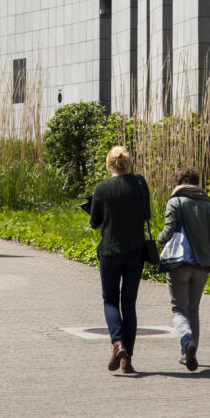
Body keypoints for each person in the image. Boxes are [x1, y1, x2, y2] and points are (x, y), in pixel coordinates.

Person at [157, 167, 210, 371]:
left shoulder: (175, 202)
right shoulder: (209, 206)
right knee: (193, 309)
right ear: (197, 183)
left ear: (178, 183)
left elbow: (168, 232)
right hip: (203, 266)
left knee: (178, 308)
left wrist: (155, 243)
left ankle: (187, 342)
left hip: (180, 264)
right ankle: (188, 352)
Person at [89, 145, 151, 375]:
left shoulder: (102, 188)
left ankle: (118, 343)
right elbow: (147, 215)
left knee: (110, 301)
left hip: (109, 252)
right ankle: (127, 362)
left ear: (109, 164)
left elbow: (95, 222)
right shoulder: (139, 183)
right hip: (135, 251)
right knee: (129, 305)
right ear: (128, 162)